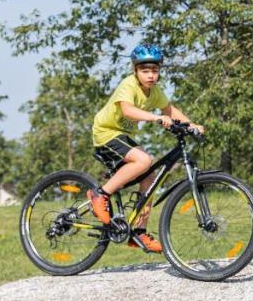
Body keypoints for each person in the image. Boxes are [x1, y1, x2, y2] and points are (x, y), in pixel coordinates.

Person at [87, 44, 203, 252]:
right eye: (145, 70)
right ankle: (100, 195)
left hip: (124, 136)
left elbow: (170, 110)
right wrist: (156, 118)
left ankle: (138, 232)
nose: (151, 75)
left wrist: (191, 125)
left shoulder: (155, 92)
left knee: (150, 176)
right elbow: (128, 110)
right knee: (144, 161)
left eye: (155, 71)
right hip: (106, 133)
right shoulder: (128, 85)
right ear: (135, 71)